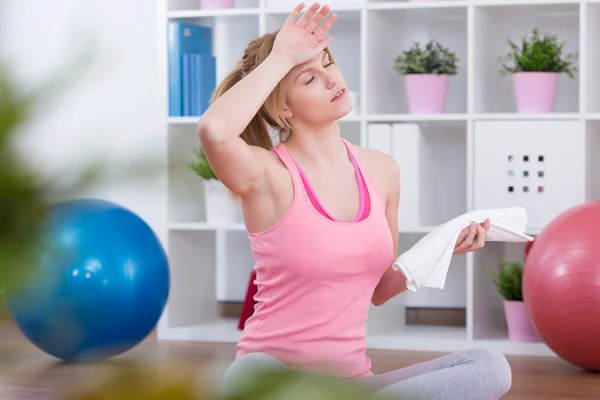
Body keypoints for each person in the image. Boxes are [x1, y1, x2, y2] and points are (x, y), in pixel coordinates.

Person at [197, 2, 511, 399]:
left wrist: (441, 249)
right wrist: (279, 57)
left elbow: (378, 290)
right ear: (282, 107)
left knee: (489, 366)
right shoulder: (267, 176)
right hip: (273, 383)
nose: (331, 79)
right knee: (249, 374)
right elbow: (214, 130)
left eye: (327, 62)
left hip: (352, 386)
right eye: (310, 78)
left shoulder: (383, 171)